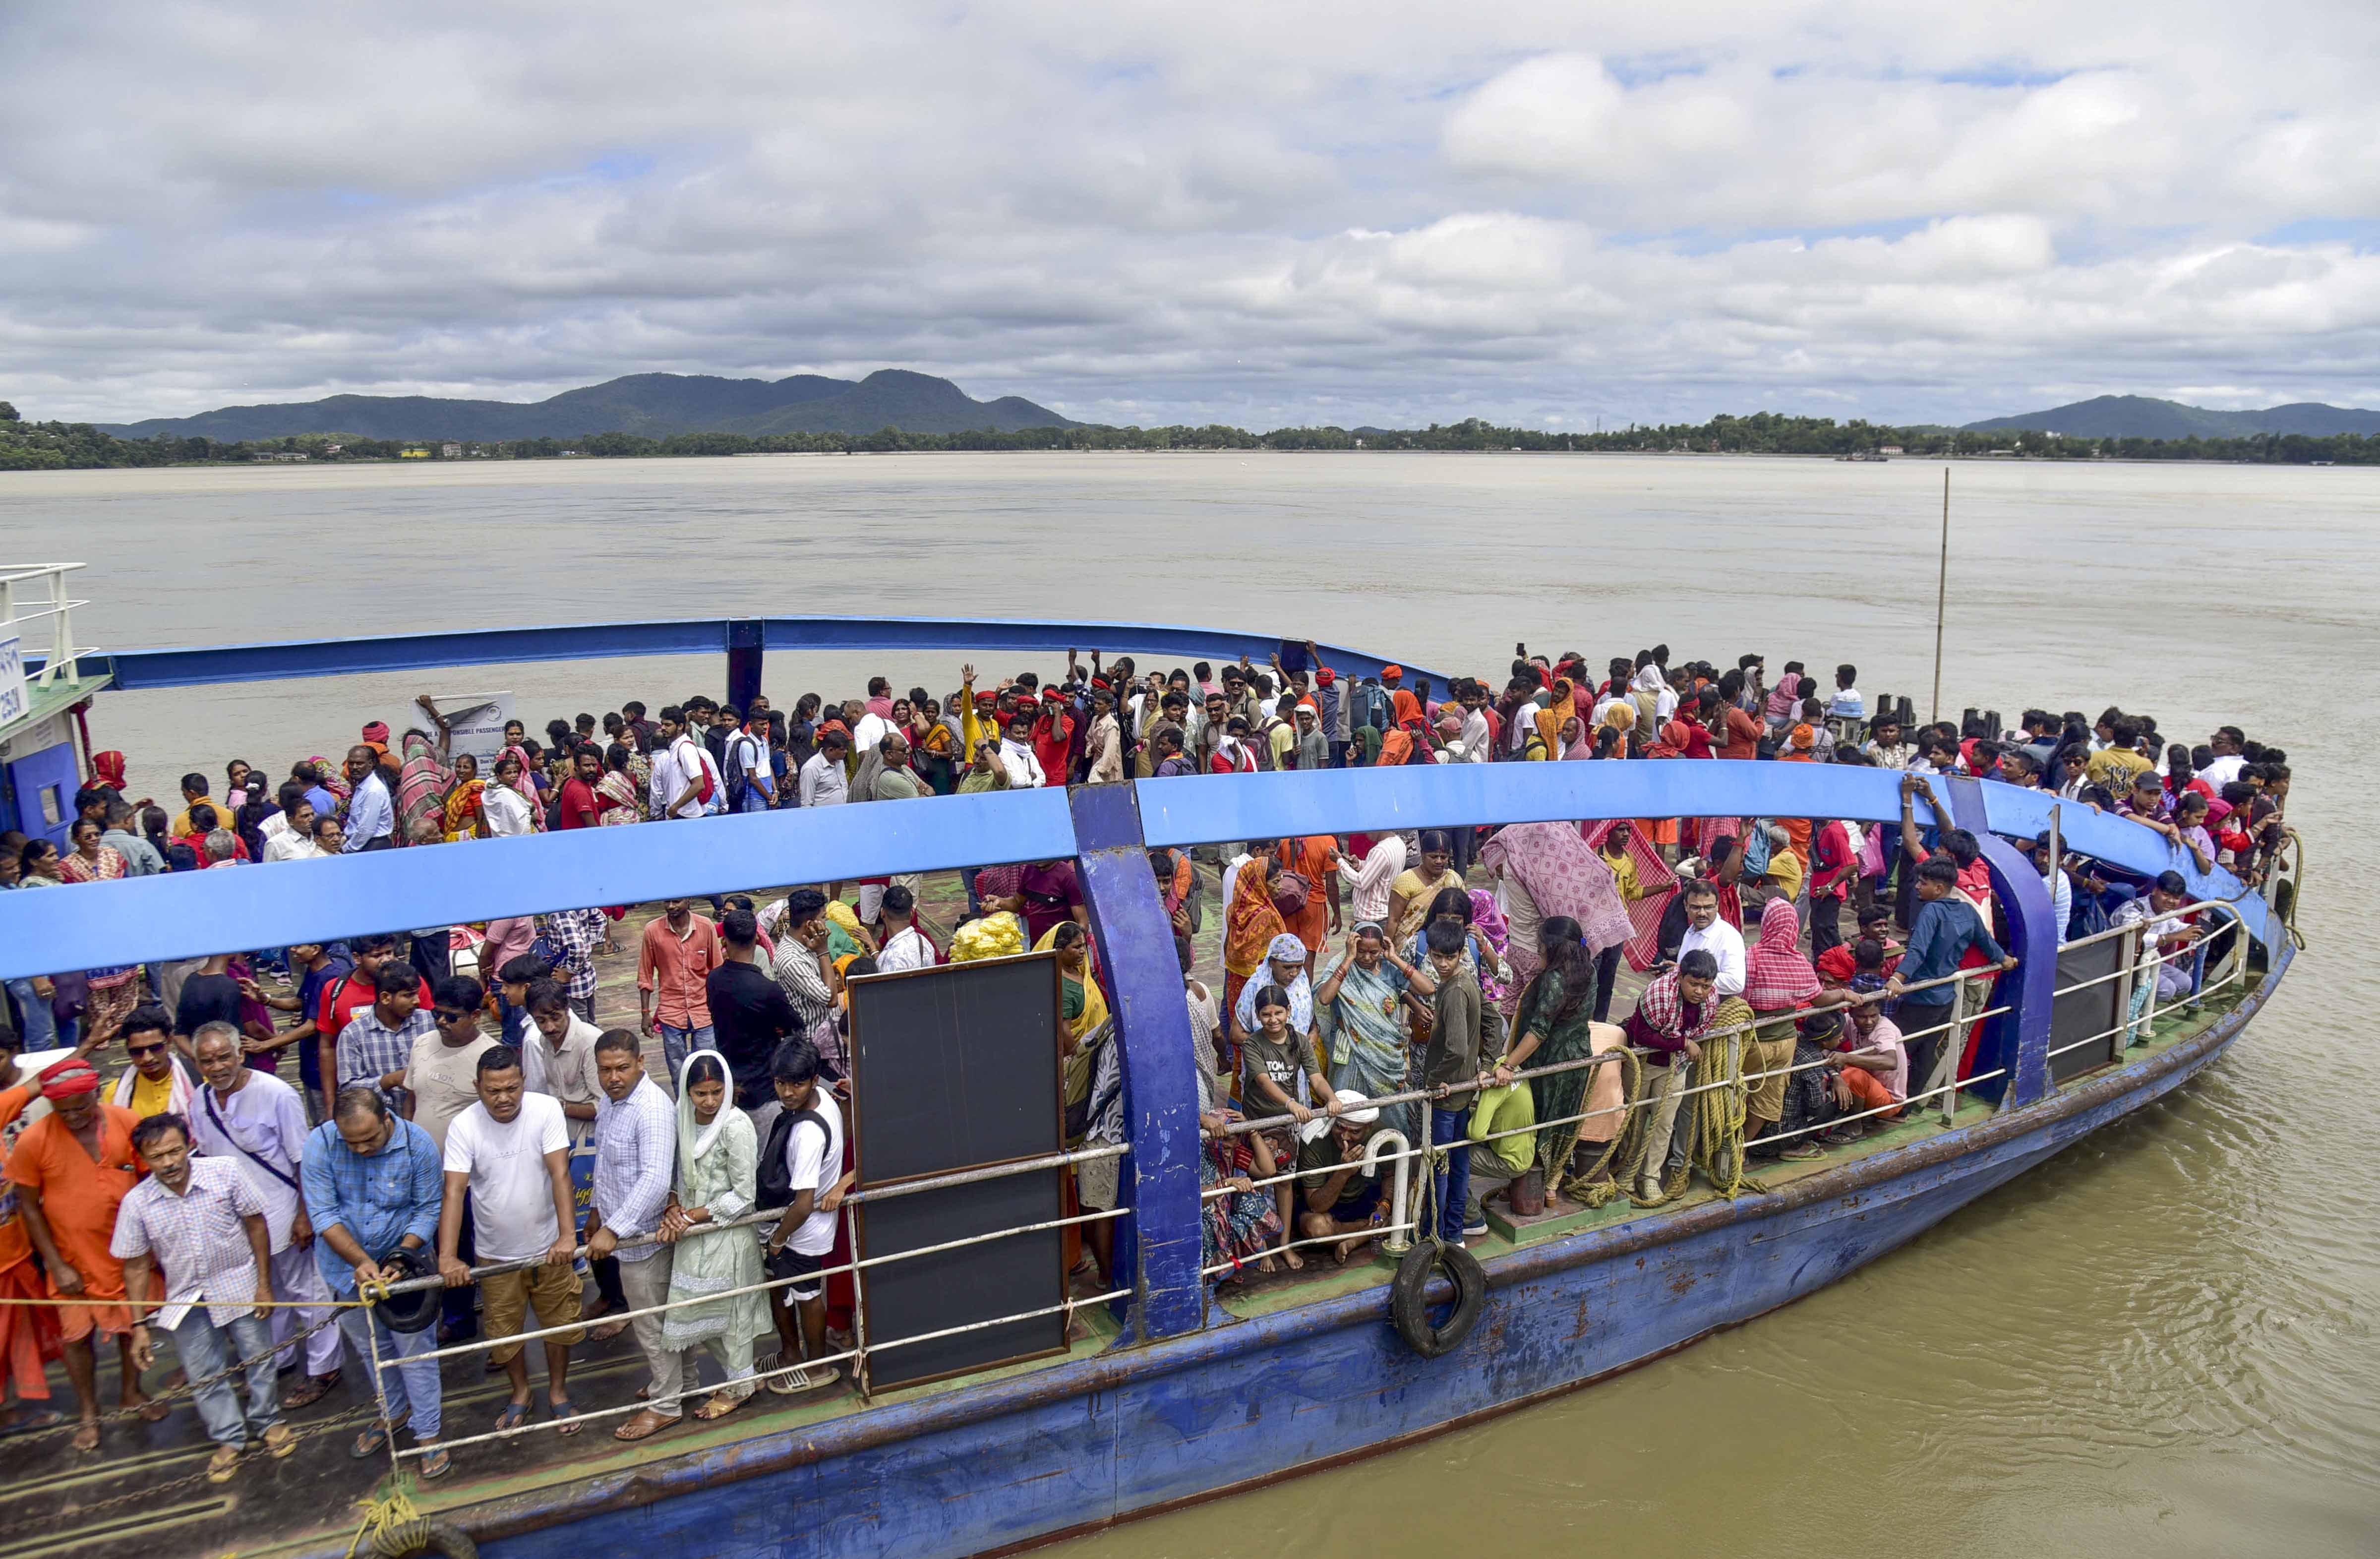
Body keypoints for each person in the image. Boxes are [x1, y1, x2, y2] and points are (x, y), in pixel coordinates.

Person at [113, 1113, 295, 1481]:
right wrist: (139, 1326)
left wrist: (264, 1284)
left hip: (240, 1284)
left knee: (258, 1358)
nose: (169, 1163)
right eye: (157, 1157)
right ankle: (229, 1438)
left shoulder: (225, 1171)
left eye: (174, 1151)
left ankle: (268, 1421)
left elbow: (256, 1223)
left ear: (188, 1145)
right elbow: (134, 1267)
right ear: (143, 1160)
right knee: (204, 1373)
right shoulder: (137, 1203)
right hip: (184, 1299)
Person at [185, 1023, 342, 1405]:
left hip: (283, 1213)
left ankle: (325, 1366)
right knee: (265, 1291)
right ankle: (281, 1358)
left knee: (308, 1291)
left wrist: (305, 1216)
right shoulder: (200, 1100)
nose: (218, 1066)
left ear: (241, 1054)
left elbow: (304, 1159)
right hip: (236, 1222)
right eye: (207, 1060)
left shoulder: (276, 1094)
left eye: (225, 1057)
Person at [302, 1085, 449, 1477]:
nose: (363, 1149)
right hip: (343, 1270)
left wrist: (401, 1256)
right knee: (373, 1349)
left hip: (407, 1268)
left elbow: (428, 1208)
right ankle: (394, 1412)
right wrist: (362, 1262)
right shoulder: (319, 1144)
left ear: (388, 1119)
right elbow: (323, 1214)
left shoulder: (418, 1144)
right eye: (352, 1143)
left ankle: (428, 1432)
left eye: (370, 1139)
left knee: (414, 1352)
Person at [437, 1046, 585, 1435]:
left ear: (523, 1083)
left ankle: (556, 1390)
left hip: (549, 1249)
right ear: (478, 1087)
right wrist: (449, 1257)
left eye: (512, 1088)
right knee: (504, 1332)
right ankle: (521, 1391)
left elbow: (560, 1174)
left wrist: (568, 1236)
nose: (504, 1098)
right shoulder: (464, 1126)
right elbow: (454, 1192)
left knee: (559, 1324)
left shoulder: (546, 1110)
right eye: (493, 1091)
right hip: (494, 1256)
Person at [4, 1056, 147, 1448]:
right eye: (65, 1112)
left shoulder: (125, 1121)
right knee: (76, 1336)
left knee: (131, 1325)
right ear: (52, 1107)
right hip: (71, 1262)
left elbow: (146, 1180)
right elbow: (29, 1206)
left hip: (126, 1255)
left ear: (95, 1095)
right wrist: (55, 1263)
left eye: (83, 1107)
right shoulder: (33, 1142)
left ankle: (132, 1392)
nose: (75, 1117)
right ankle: (89, 1411)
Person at [591, 1030, 686, 1441]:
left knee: (652, 1327)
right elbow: (605, 1166)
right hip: (626, 1238)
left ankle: (666, 1404)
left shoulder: (650, 1108)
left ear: (641, 1062)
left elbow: (654, 1179)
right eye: (606, 1069)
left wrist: (614, 1228)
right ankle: (679, 1384)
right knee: (662, 1324)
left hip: (644, 1240)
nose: (614, 1077)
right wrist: (597, 1213)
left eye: (622, 1068)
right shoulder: (610, 1106)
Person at [658, 1052, 765, 1418]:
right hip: (693, 1236)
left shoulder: (736, 1126)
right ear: (687, 1092)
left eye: (716, 1092)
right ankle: (745, 1378)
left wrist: (691, 1216)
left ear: (728, 1089)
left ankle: (740, 1389)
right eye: (701, 1093)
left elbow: (744, 1195)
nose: (709, 1102)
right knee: (698, 1317)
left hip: (727, 1235)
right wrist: (674, 1205)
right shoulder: (684, 1119)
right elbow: (678, 1173)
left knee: (732, 1320)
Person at [1493, 917, 1625, 1199]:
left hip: (1549, 1061)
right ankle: (1553, 1186)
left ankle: (1533, 1191)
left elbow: (1539, 1031)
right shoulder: (1588, 971)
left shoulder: (1554, 979)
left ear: (1552, 949)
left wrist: (1508, 1064)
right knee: (1564, 1121)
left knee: (1538, 1122)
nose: (1538, 950)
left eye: (1541, 946)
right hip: (1577, 1057)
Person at [1886, 858, 2018, 1112]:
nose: (1916, 887)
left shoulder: (1932, 912)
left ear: (1939, 888)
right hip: (1946, 996)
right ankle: (1910, 1105)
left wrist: (1897, 978)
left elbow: (1917, 951)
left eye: (1922, 883)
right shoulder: (1967, 912)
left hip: (1921, 997)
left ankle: (1891, 1105)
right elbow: (1989, 945)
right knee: (1926, 1053)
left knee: (1897, 1050)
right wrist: (2006, 960)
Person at [762, 1038, 848, 1392]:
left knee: (806, 1294)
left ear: (813, 1079)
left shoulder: (807, 1135)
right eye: (781, 1083)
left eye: (796, 1083)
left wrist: (777, 1240)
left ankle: (815, 1364)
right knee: (790, 1290)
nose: (786, 1092)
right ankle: (792, 1354)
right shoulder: (826, 1099)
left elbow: (802, 1203)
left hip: (802, 1229)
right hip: (804, 1225)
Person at [1313, 922, 1432, 1145]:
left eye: (1373, 952)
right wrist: (1349, 959)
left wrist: (1394, 958)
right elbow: (1324, 998)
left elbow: (1427, 988)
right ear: (1352, 946)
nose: (1367, 958)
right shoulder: (1340, 964)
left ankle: (1389, 1167)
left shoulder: (1389, 968)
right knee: (1347, 1112)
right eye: (1361, 951)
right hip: (1351, 1053)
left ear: (1382, 949)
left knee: (1391, 1118)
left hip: (1387, 1057)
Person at [1620, 950, 1718, 1202]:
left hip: (1676, 1067)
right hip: (1644, 1063)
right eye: (1693, 984)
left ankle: (1650, 1176)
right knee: (1635, 1119)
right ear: (1681, 978)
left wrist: (1682, 1046)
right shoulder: (1659, 993)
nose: (1699, 991)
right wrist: (1684, 1043)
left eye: (1705, 986)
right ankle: (1626, 1171)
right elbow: (1643, 1036)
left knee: (1664, 1123)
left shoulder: (1710, 1000)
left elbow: (1701, 1027)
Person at [1420, 920, 1490, 1246]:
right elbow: (1494, 1023)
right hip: (1464, 1092)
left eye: (1449, 957)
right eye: (1437, 956)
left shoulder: (1454, 992)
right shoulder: (1467, 981)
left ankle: (1437, 1234)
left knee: (1441, 1168)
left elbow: (1457, 1049)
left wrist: (1434, 1079)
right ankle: (1457, 1233)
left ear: (1462, 953)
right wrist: (1485, 1067)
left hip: (1447, 1096)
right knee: (1460, 1164)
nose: (1443, 964)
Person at [708, 907, 801, 1116]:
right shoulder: (768, 989)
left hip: (729, 1085)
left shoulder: (714, 980)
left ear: (725, 942)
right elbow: (794, 1026)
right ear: (757, 938)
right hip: (763, 1088)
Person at [1293, 1093, 1386, 1264]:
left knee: (1407, 1202)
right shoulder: (1314, 1142)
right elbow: (1317, 1205)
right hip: (1326, 1207)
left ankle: (1353, 1241)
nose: (1345, 1137)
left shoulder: (1381, 1133)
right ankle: (1367, 1230)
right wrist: (1343, 1173)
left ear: (1368, 1128)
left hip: (1362, 1198)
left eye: (1354, 1132)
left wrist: (1385, 1206)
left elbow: (1392, 1175)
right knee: (1316, 1228)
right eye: (1340, 1128)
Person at [337, 959, 436, 1110]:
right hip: (384, 1122)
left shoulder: (430, 1022)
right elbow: (349, 1089)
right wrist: (390, 1080)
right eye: (409, 995)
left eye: (416, 994)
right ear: (385, 998)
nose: (417, 1001)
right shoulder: (353, 1034)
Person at [640, 898, 722, 1078]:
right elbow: (645, 975)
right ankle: (682, 1107)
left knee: (707, 1072)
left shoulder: (705, 926)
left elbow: (717, 970)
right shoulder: (652, 931)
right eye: (667, 902)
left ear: (689, 900)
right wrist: (645, 1013)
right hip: (671, 1012)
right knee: (678, 1074)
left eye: (676, 902)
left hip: (704, 1011)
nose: (671, 907)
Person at [112, 1005, 195, 1121]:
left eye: (155, 1048)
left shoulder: (198, 1080)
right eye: (137, 1051)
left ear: (170, 1041)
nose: (147, 1058)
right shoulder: (115, 1093)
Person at [1675, 878, 1746, 997]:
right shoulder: (1690, 931)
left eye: (1708, 907)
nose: (1702, 913)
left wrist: (1688, 977)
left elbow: (1736, 983)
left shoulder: (1729, 937)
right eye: (1696, 908)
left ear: (1717, 906)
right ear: (1686, 906)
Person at [342, 745, 396, 851]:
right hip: (363, 844)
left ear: (370, 764)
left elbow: (366, 830)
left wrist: (347, 849)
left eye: (360, 763)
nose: (355, 767)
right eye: (351, 763)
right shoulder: (362, 786)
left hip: (371, 846)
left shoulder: (373, 790)